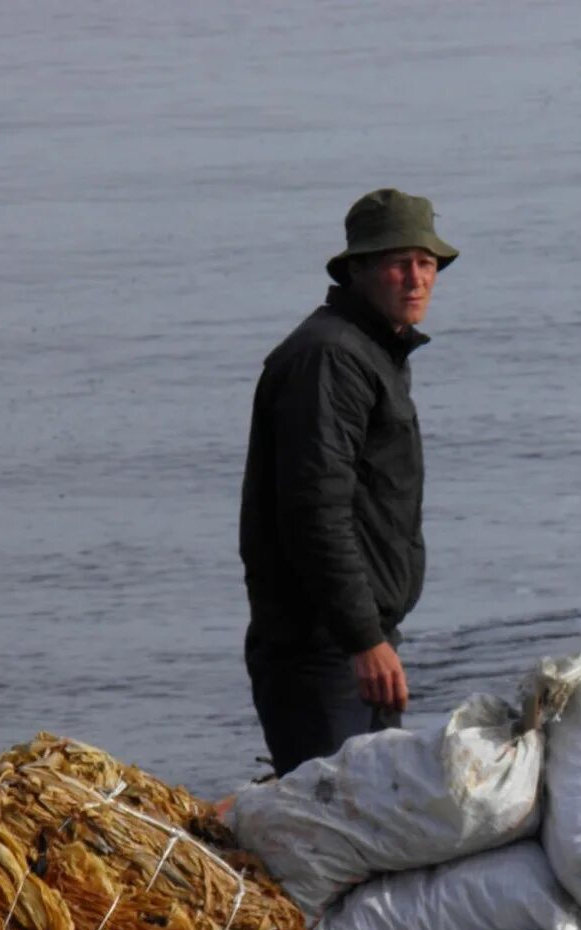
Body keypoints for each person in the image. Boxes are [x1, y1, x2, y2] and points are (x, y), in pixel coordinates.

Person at [239, 188, 458, 776]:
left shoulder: (371, 352)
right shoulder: (331, 358)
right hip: (323, 653)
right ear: (358, 269)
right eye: (397, 263)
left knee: (371, 828)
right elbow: (315, 511)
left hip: (356, 642)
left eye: (426, 263)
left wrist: (371, 635)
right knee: (332, 837)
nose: (416, 279)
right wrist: (363, 639)